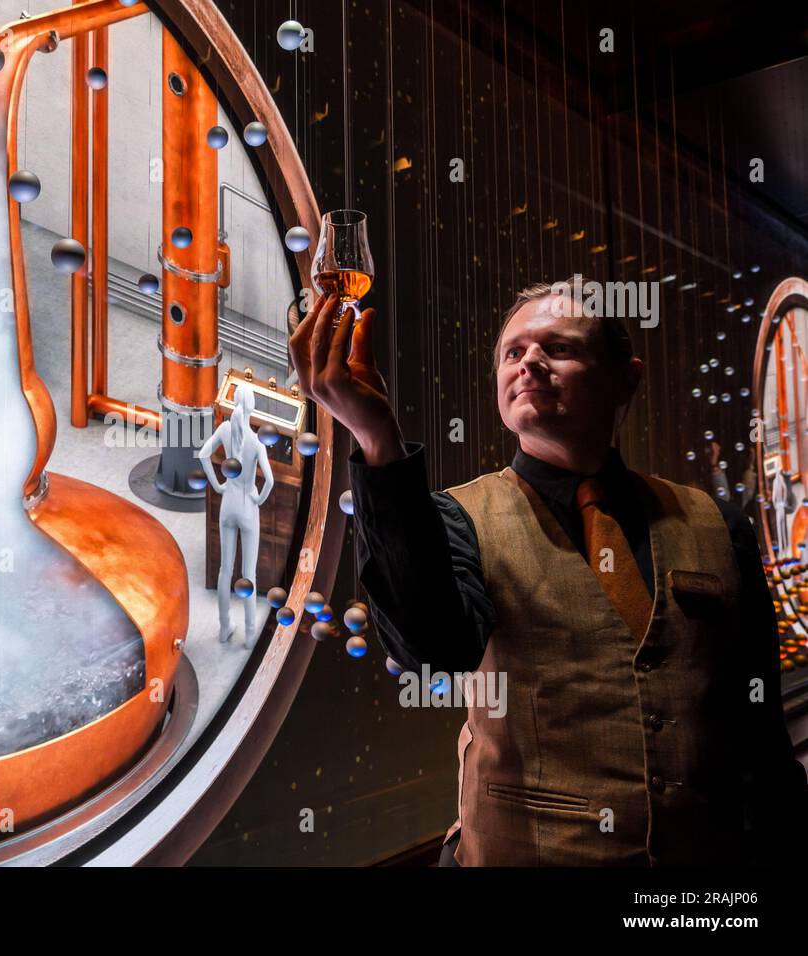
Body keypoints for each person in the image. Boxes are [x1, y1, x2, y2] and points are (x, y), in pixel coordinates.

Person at [289, 282, 808, 866]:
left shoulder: (719, 524)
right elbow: (433, 653)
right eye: (513, 353)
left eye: (556, 348)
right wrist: (377, 438)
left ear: (625, 379)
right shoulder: (459, 519)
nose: (529, 361)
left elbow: (758, 729)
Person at [198, 384, 274, 647]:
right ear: (252, 407)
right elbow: (270, 481)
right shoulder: (256, 442)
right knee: (248, 574)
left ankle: (224, 626)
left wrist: (218, 485)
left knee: (224, 570)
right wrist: (259, 499)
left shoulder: (225, 429)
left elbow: (204, 454)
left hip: (227, 502)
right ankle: (250, 633)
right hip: (247, 507)